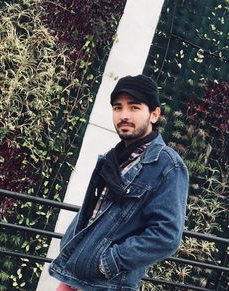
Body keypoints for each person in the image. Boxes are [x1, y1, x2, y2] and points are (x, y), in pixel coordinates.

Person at [49, 74, 189, 291]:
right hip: (74, 271)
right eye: (118, 107)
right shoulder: (111, 158)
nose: (124, 115)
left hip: (109, 284)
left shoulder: (168, 166)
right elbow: (94, 214)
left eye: (134, 107)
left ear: (154, 114)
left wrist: (107, 262)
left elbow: (166, 236)